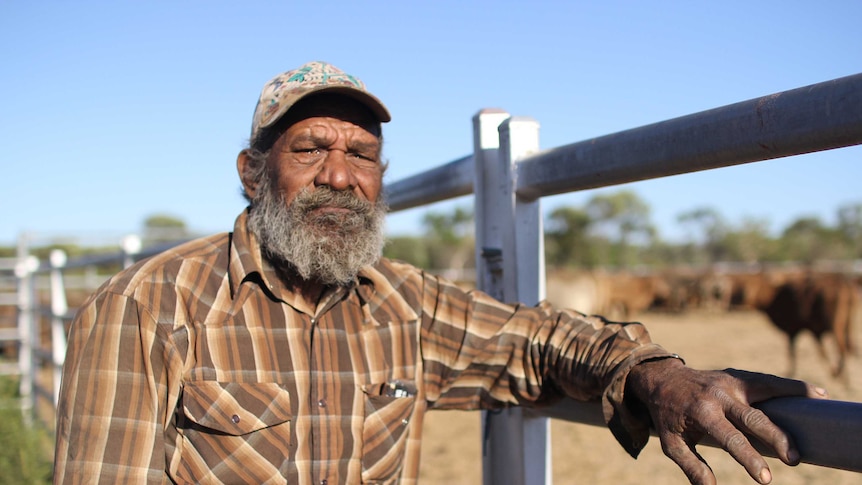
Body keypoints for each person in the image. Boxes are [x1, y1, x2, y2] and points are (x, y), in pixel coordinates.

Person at [53, 60, 828, 485]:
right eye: (308, 149)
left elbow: (536, 340)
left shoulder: (401, 305)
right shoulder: (147, 309)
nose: (339, 176)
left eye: (361, 155)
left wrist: (656, 374)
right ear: (252, 172)